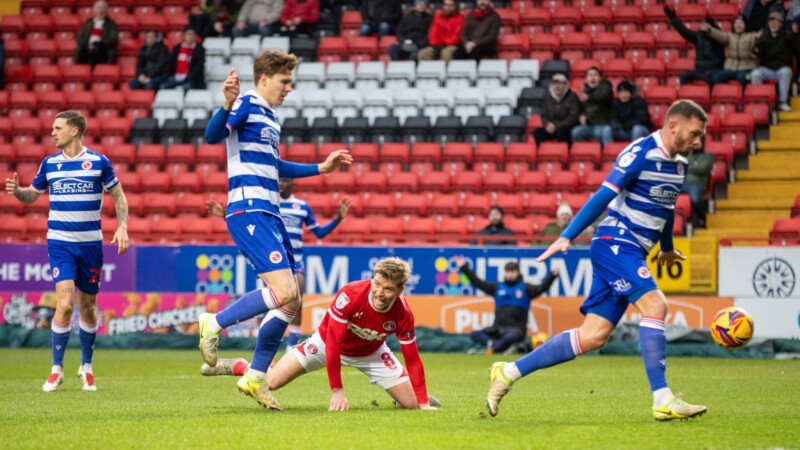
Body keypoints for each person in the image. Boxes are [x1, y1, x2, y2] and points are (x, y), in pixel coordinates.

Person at [485, 99, 709, 421]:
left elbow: (666, 208)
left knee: (593, 336)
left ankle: (508, 372)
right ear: (673, 126)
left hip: (632, 249)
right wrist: (567, 235)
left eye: (701, 135)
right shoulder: (640, 152)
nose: (698, 141)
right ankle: (663, 399)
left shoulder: (680, 165)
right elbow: (603, 196)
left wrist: (667, 247)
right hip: (616, 242)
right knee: (656, 305)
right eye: (695, 133)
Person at [199, 49, 353, 411]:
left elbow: (275, 164)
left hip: (270, 212)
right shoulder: (246, 104)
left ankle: (255, 377)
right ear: (265, 79)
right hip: (249, 208)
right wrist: (226, 103)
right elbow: (212, 136)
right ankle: (214, 322)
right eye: (284, 81)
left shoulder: (269, 116)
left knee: (292, 299)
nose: (289, 88)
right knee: (285, 292)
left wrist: (321, 168)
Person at [201, 258, 439, 411]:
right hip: (325, 344)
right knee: (270, 382)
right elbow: (333, 342)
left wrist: (423, 402)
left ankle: (402, 396)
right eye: (377, 284)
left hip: (372, 352)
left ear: (400, 290)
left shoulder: (403, 313)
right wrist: (338, 391)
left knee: (413, 404)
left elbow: (413, 359)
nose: (379, 292)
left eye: (387, 289)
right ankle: (241, 366)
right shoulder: (351, 295)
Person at [5, 110, 129, 392]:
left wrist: (122, 227)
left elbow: (119, 196)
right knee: (64, 305)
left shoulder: (98, 162)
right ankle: (56, 369)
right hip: (60, 243)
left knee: (88, 308)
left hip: (91, 245)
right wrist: (18, 192)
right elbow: (31, 195)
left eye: (58, 128)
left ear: (74, 130)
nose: (52, 133)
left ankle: (86, 367)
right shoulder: (49, 164)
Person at [206, 177, 352, 347]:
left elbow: (319, 232)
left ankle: (291, 346)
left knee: (296, 300)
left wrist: (338, 219)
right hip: (273, 262)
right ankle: (266, 345)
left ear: (293, 184)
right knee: (275, 302)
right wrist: (226, 216)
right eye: (280, 181)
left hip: (296, 262)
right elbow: (250, 227)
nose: (282, 184)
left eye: (286, 181)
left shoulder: (302, 207)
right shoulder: (267, 205)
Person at [455, 256, 557, 355]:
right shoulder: (497, 287)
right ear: (505, 272)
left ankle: (492, 350)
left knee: (511, 337)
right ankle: (499, 346)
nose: (510, 274)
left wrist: (552, 276)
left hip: (515, 330)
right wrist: (464, 267)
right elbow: (478, 283)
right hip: (497, 329)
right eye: (508, 271)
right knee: (475, 334)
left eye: (513, 272)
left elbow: (542, 288)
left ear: (518, 273)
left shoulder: (525, 288)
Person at [664, 6, 725, 86]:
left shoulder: (719, 38)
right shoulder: (698, 36)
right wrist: (673, 18)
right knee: (685, 76)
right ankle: (686, 94)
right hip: (700, 71)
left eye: (705, 24)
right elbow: (684, 31)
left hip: (715, 70)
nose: (702, 26)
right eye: (702, 24)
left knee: (710, 77)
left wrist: (710, 31)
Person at [751, 12, 795, 111]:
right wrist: (757, 40)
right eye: (771, 21)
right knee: (755, 74)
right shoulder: (764, 36)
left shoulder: (786, 35)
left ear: (781, 24)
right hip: (768, 68)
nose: (773, 24)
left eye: (776, 22)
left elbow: (791, 38)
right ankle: (759, 101)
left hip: (781, 68)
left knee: (786, 72)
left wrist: (793, 32)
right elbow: (758, 53)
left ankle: (783, 102)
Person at [701, 16, 759, 86]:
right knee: (716, 78)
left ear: (745, 25)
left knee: (744, 78)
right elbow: (720, 35)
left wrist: (758, 39)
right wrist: (709, 30)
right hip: (730, 69)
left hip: (748, 69)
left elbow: (758, 43)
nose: (738, 25)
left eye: (741, 23)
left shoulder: (753, 35)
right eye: (736, 23)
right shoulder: (730, 36)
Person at [532, 73, 580, 146]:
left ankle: (563, 151)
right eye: (555, 83)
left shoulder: (572, 97)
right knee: (538, 132)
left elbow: (573, 116)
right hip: (551, 126)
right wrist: (547, 124)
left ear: (565, 85)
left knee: (561, 132)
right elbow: (543, 114)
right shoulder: (547, 97)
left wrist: (557, 125)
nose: (557, 86)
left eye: (560, 83)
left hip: (565, 126)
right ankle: (541, 151)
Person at [571, 67, 613, 146]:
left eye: (595, 75)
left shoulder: (606, 85)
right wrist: (582, 115)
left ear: (600, 78)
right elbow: (580, 109)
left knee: (604, 131)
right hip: (589, 125)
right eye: (590, 75)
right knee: (576, 132)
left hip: (602, 124)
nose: (593, 77)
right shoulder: (584, 91)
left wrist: (589, 97)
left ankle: (607, 152)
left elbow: (604, 95)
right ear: (586, 79)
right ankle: (584, 152)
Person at [75, 0, 119, 66]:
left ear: (107, 10)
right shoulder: (88, 23)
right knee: (80, 50)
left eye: (103, 8)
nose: (101, 11)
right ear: (94, 10)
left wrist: (100, 44)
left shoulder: (111, 24)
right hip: (88, 49)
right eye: (99, 8)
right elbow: (80, 36)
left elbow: (113, 38)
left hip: (102, 50)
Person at [681, 141, 714, 228]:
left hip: (697, 184)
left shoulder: (708, 156)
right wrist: (695, 166)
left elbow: (702, 169)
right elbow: (679, 168)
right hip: (682, 183)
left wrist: (687, 167)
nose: (696, 142)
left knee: (695, 199)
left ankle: (703, 217)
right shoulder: (686, 156)